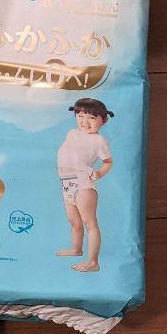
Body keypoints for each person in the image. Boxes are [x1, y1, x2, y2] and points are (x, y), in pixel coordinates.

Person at [56, 98, 114, 273]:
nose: (85, 122)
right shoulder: (72, 134)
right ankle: (77, 249)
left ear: (104, 120)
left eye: (92, 118)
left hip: (83, 184)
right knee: (74, 221)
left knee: (90, 223)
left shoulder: (99, 141)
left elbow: (108, 162)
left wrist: (99, 173)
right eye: (80, 116)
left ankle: (93, 261)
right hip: (67, 183)